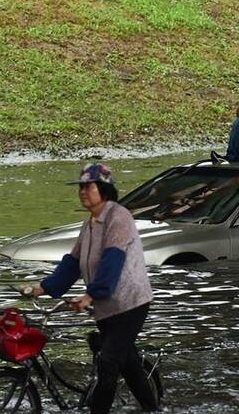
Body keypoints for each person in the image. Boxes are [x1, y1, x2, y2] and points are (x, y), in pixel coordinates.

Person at [22, 163, 157, 414]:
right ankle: (153, 408)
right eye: (81, 187)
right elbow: (73, 263)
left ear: (104, 189)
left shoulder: (119, 217)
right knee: (127, 362)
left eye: (88, 186)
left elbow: (112, 261)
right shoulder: (90, 223)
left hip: (130, 303)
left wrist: (90, 295)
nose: (83, 191)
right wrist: (43, 288)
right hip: (106, 306)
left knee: (108, 363)